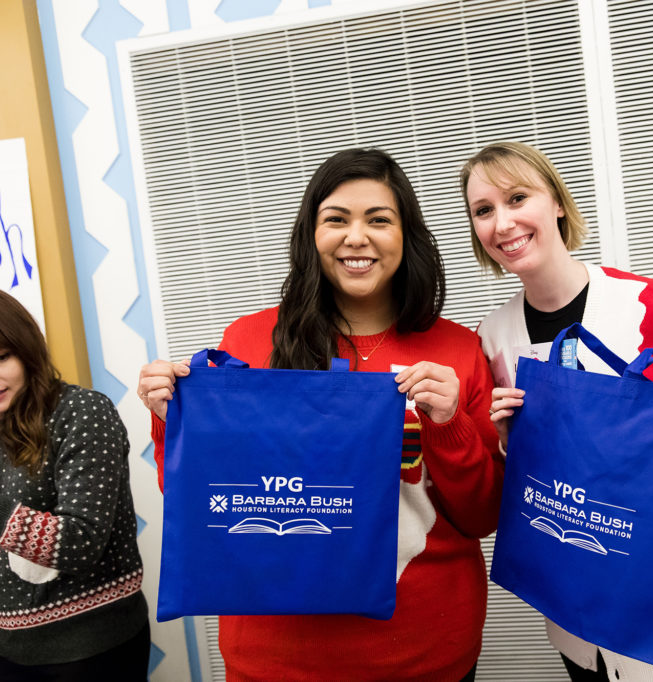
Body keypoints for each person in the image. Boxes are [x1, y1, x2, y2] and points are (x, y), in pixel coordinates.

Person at [137, 148, 504, 681]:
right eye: (337, 219)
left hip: (426, 653)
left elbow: (481, 516)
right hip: (274, 658)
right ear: (311, 233)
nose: (358, 237)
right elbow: (208, 502)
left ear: (408, 236)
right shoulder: (248, 340)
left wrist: (448, 426)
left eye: (379, 220)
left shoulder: (458, 350)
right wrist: (171, 418)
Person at [460, 141, 653, 682]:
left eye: (517, 198)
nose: (502, 222)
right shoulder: (493, 336)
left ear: (556, 202)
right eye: (483, 210)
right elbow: (512, 477)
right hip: (578, 624)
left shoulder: (644, 304)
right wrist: (504, 440)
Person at [0, 285, 149, 681]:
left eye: (0, 357)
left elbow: (79, 543)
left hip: (93, 649)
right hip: (16, 649)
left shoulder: (83, 412)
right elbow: (7, 539)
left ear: (26, 350)